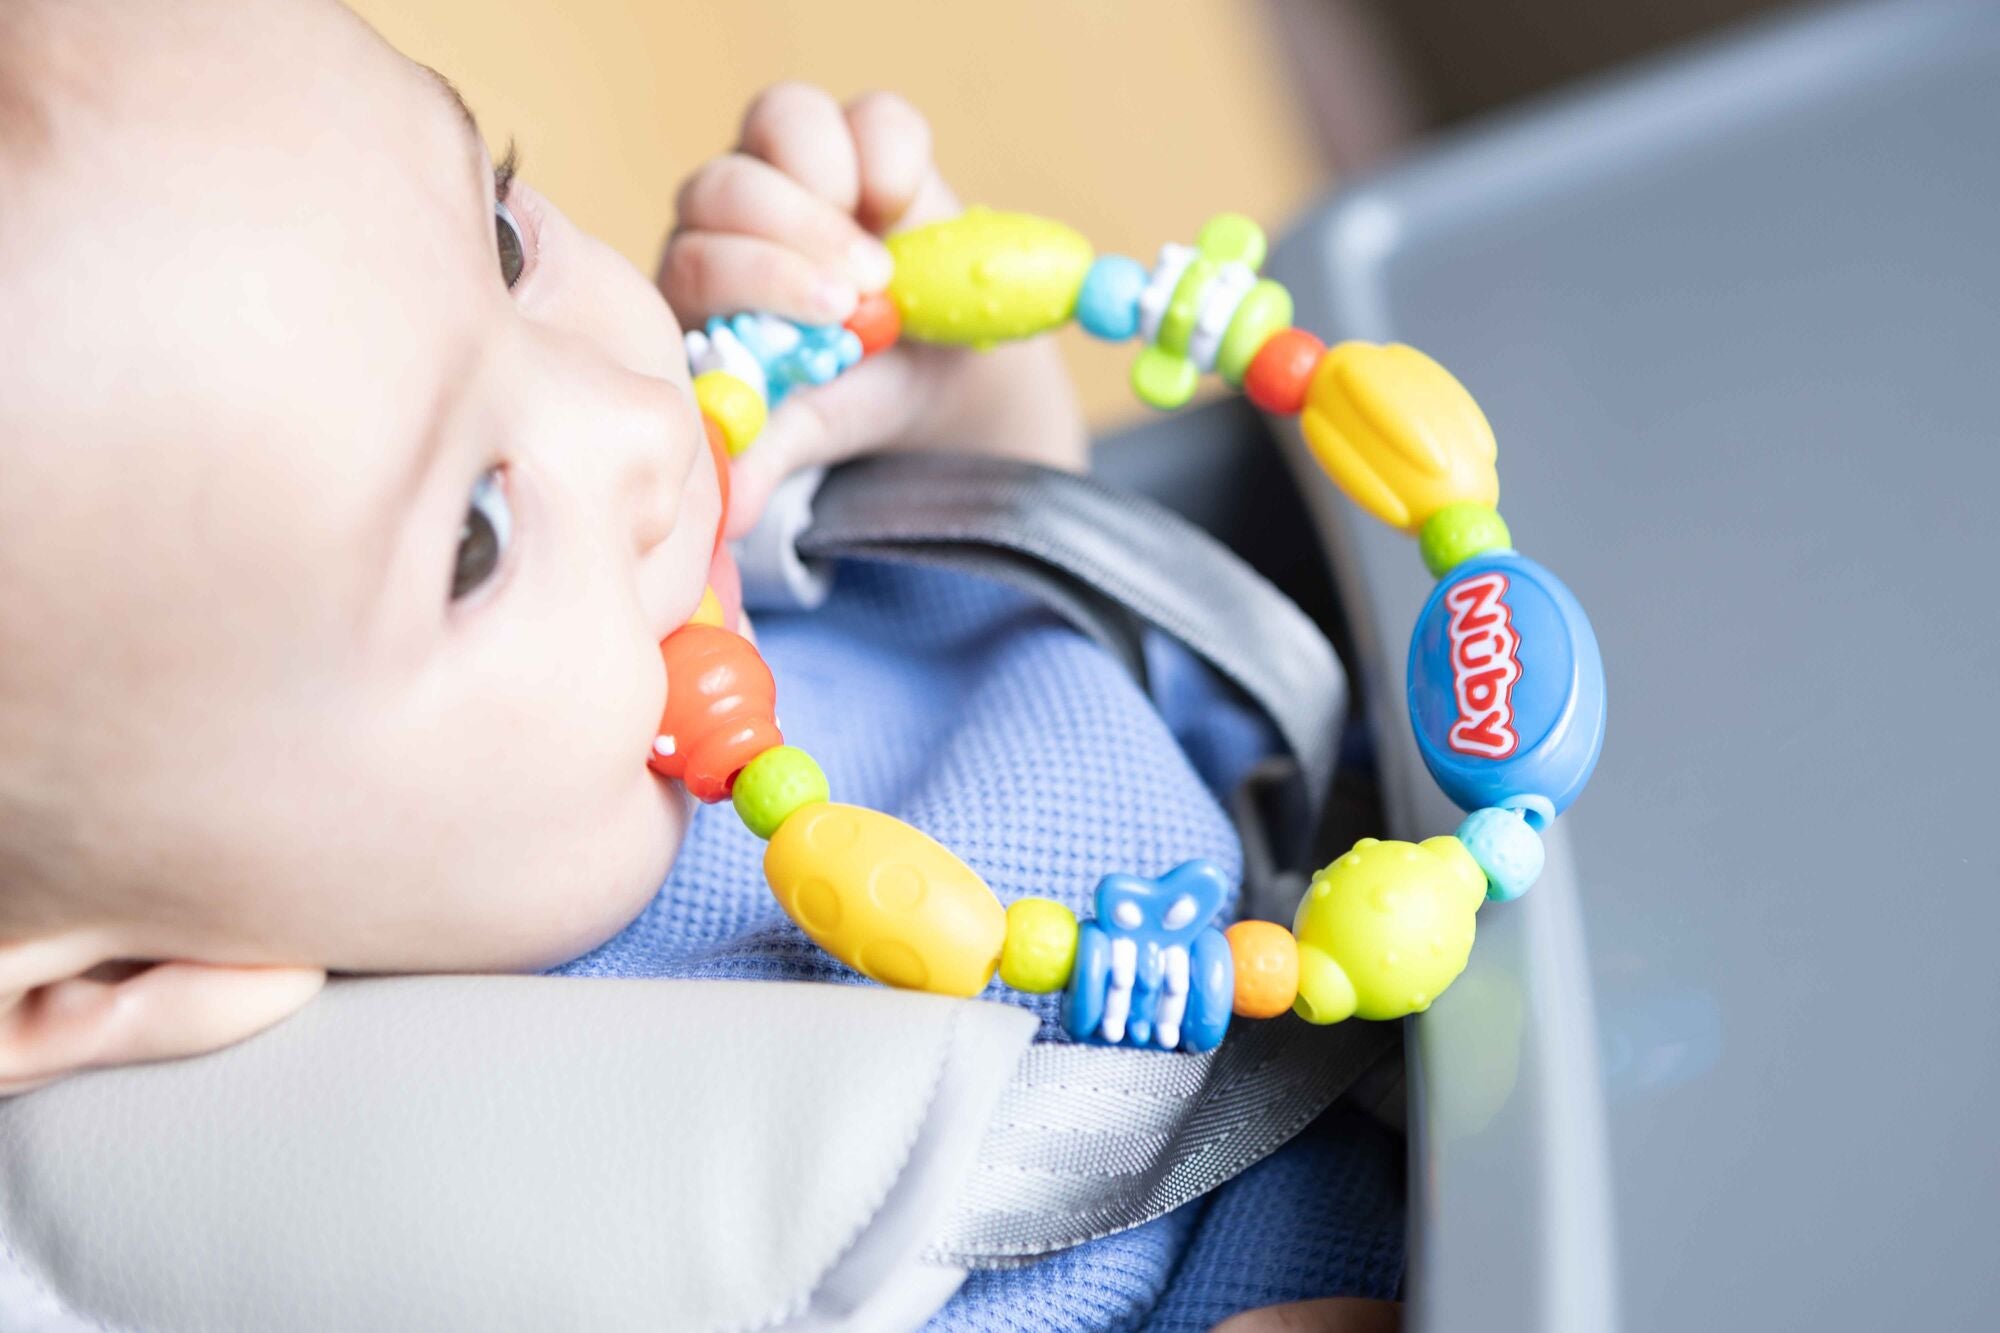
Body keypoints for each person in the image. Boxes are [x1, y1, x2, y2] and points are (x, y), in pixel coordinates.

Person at [0, 2, 1401, 1325]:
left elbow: (1053, 658)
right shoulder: (496, 1232)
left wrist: (953, 419)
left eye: (499, 236)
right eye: (475, 536)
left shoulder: (630, 650)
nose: (637, 419)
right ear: (114, 975)